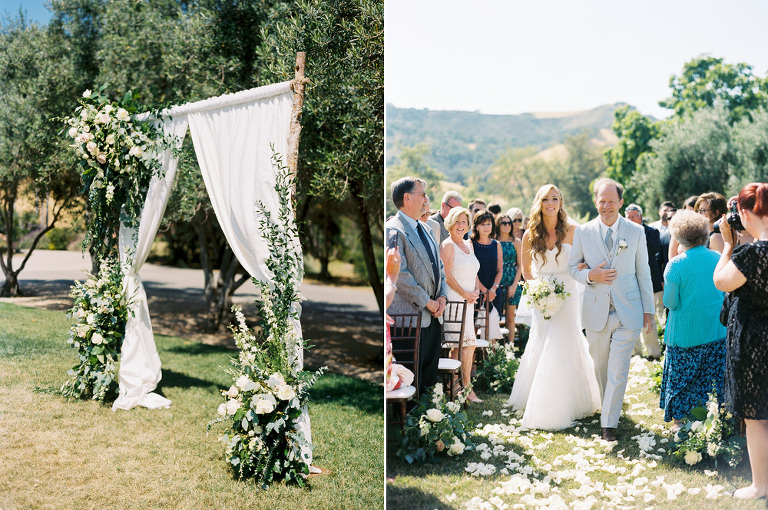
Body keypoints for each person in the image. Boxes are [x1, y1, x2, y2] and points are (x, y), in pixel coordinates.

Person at [507, 184, 601, 430]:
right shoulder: (530, 234)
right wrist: (539, 291)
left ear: (561, 202)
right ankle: (537, 396)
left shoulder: (573, 230)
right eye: (546, 199)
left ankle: (568, 400)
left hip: (568, 293)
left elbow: (586, 260)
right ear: (539, 202)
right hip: (541, 295)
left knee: (564, 339)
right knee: (542, 339)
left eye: (555, 198)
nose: (551, 203)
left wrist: (581, 268)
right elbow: (527, 271)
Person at [568, 178, 655, 442]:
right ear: (596, 202)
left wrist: (648, 310)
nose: (606, 206)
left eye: (611, 201)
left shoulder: (636, 232)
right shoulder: (583, 232)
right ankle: (610, 407)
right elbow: (573, 268)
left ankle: (609, 425)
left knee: (618, 370)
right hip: (595, 311)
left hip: (628, 311)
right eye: (601, 201)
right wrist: (591, 276)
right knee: (601, 367)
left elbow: (644, 272)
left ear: (620, 202)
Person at [713, 182, 768, 501]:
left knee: (757, 416)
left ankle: (760, 484)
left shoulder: (753, 253)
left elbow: (721, 281)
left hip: (755, 344)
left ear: (744, 213)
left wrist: (728, 246)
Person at [659, 211, 726, 431]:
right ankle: (714, 417)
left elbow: (671, 303)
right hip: (715, 331)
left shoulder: (676, 265)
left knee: (682, 380)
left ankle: (680, 422)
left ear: (678, 237)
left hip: (685, 335)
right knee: (711, 379)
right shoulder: (717, 257)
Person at [385, 177, 448, 395]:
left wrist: (442, 298)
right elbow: (399, 275)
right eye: (422, 194)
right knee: (412, 375)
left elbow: (439, 266)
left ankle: (428, 416)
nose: (426, 199)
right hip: (409, 318)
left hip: (434, 314)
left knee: (429, 371)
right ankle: (411, 423)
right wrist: (426, 301)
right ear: (407, 197)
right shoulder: (393, 230)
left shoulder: (427, 229)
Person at [439, 207, 482, 403]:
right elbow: (446, 275)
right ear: (450, 223)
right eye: (457, 221)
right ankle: (463, 388)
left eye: (464, 221)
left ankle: (458, 387)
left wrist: (475, 290)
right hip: (455, 301)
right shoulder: (447, 245)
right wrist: (464, 293)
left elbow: (473, 271)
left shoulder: (469, 244)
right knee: (460, 344)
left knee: (464, 344)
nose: (461, 225)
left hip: (469, 302)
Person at [625, 204, 663, 360]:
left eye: (634, 216)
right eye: (629, 217)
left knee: (649, 316)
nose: (631, 220)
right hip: (629, 280)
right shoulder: (624, 233)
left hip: (650, 280)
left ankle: (653, 352)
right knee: (632, 317)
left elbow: (653, 250)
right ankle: (635, 353)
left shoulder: (651, 232)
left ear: (640, 216)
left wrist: (638, 235)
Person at [472, 210, 504, 341]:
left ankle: (491, 360)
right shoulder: (471, 244)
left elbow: (500, 269)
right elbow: (472, 270)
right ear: (477, 226)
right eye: (483, 224)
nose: (486, 227)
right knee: (472, 330)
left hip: (493, 292)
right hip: (475, 292)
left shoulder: (497, 244)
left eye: (488, 224)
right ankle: (471, 361)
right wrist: (484, 291)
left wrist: (493, 289)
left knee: (492, 331)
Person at [495, 212, 523, 333]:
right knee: (495, 315)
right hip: (497, 280)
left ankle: (510, 347)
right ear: (498, 225)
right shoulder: (494, 241)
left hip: (512, 280)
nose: (507, 225)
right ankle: (495, 348)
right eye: (504, 223)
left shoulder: (516, 242)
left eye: (509, 223)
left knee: (510, 317)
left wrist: (514, 285)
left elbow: (520, 265)